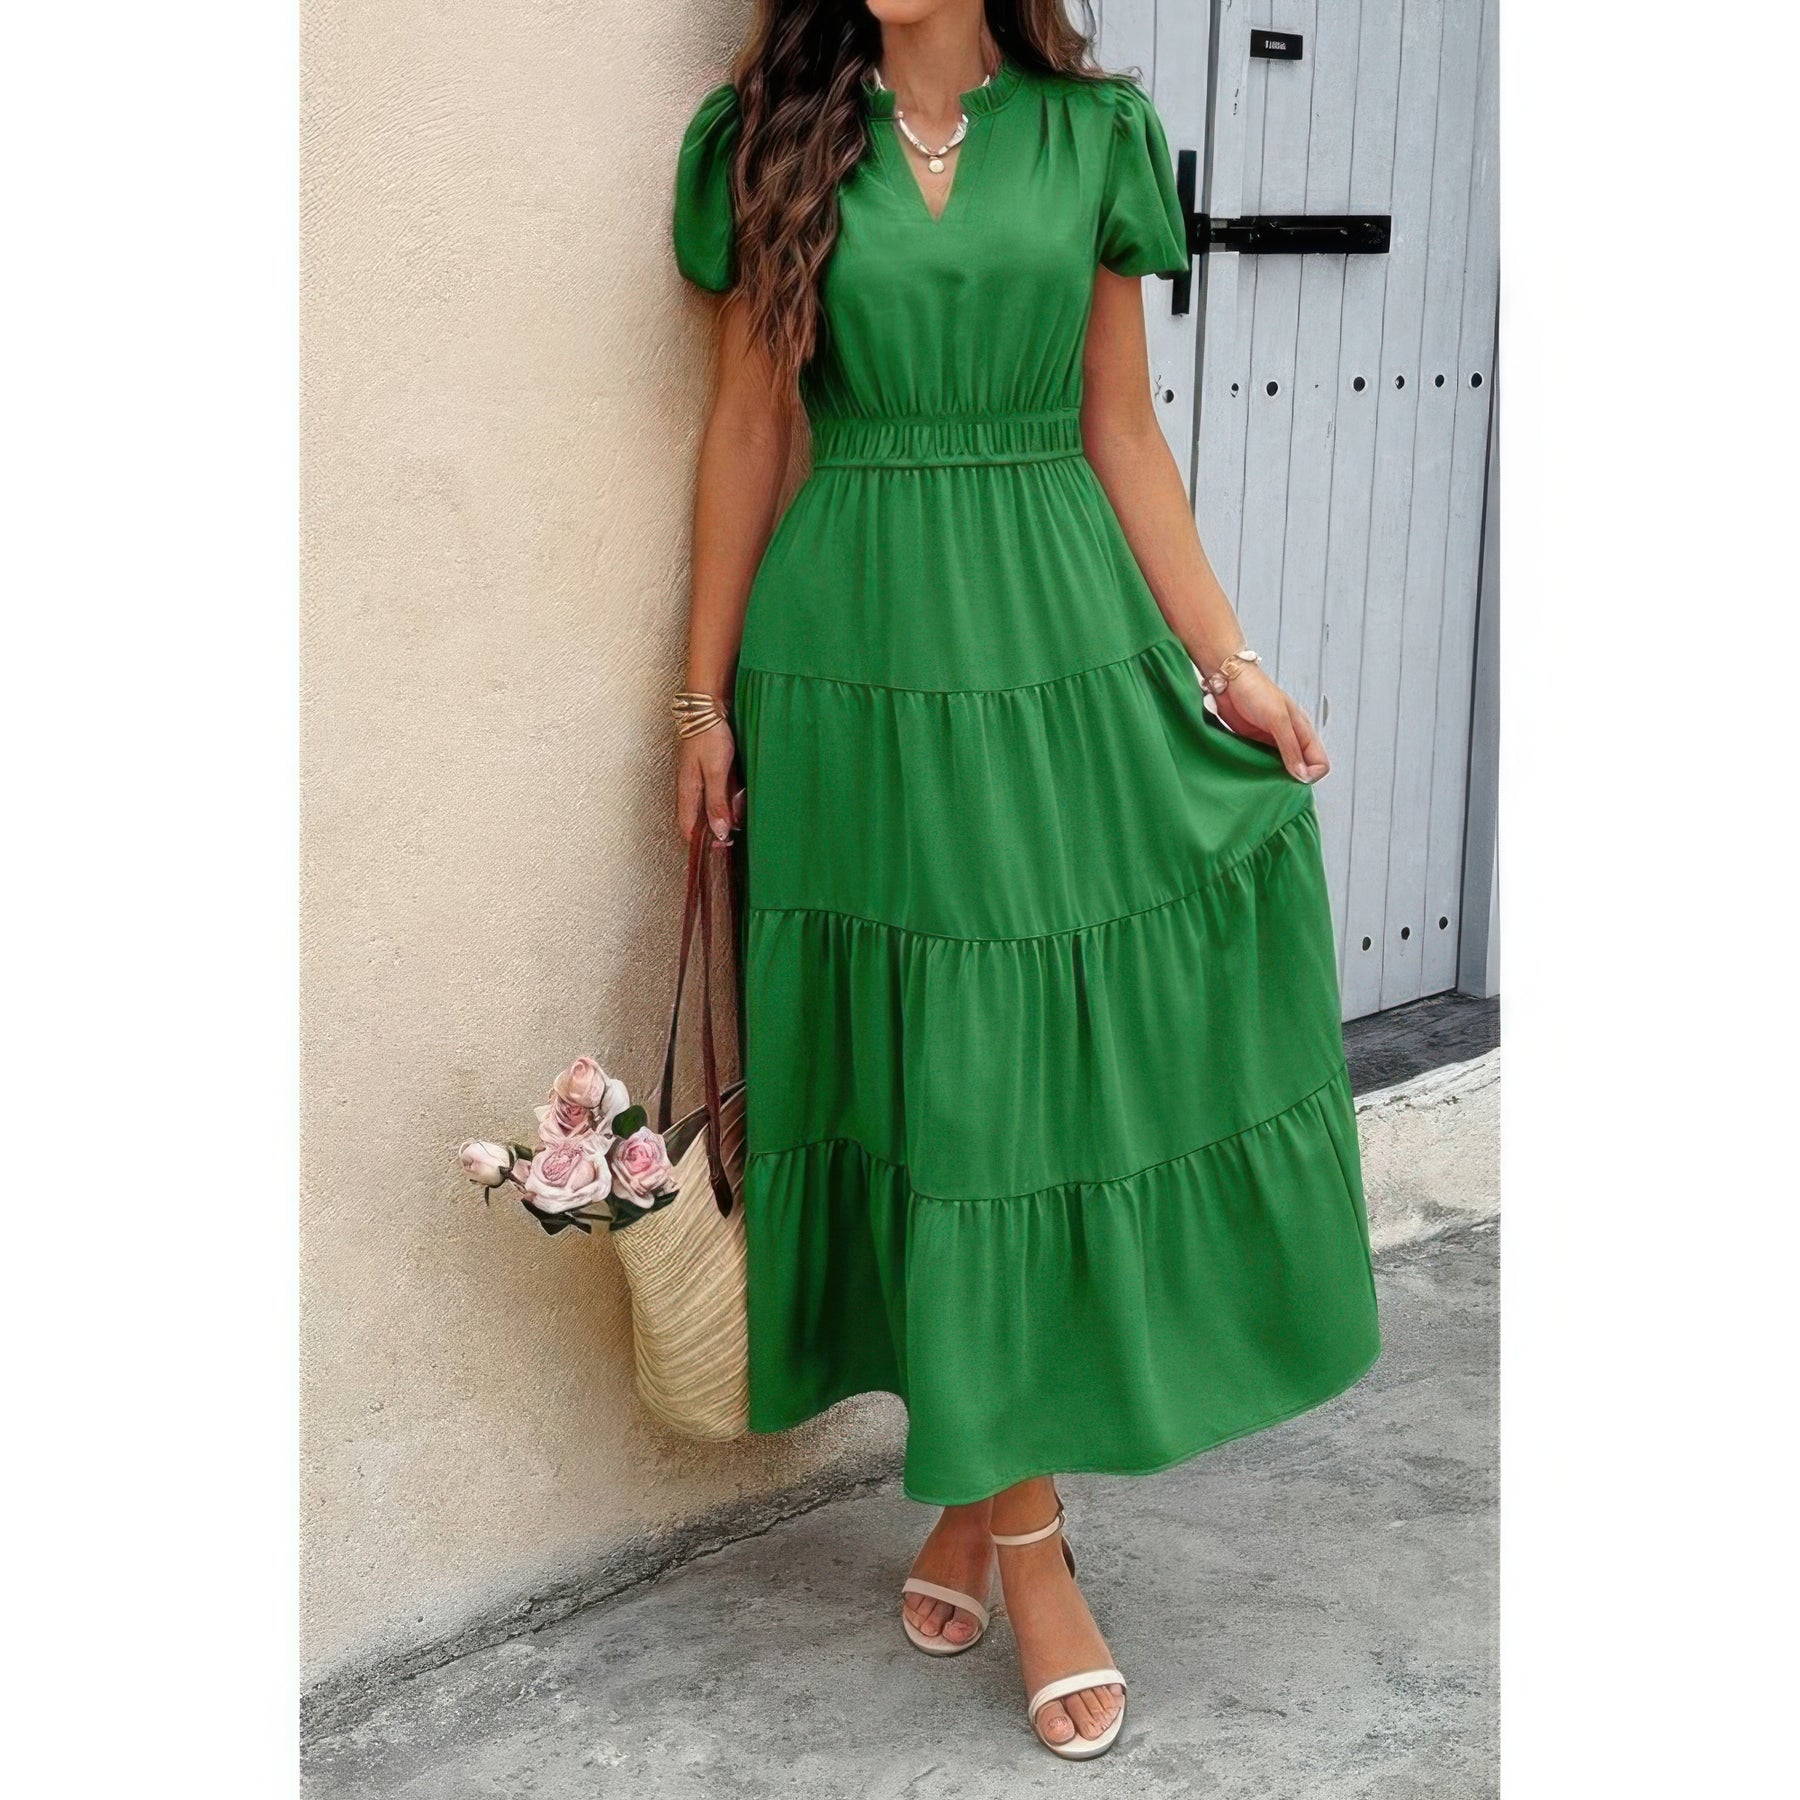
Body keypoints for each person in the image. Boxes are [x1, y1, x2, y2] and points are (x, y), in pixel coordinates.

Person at [671, 0, 1379, 1761]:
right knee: (938, 1084)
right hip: (855, 655)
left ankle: (991, 1507)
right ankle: (1029, 1536)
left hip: (1055, 638)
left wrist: (1226, 661)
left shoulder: (1091, 138)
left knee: (1022, 1085)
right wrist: (699, 700)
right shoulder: (772, 140)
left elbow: (1122, 430)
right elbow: (748, 429)